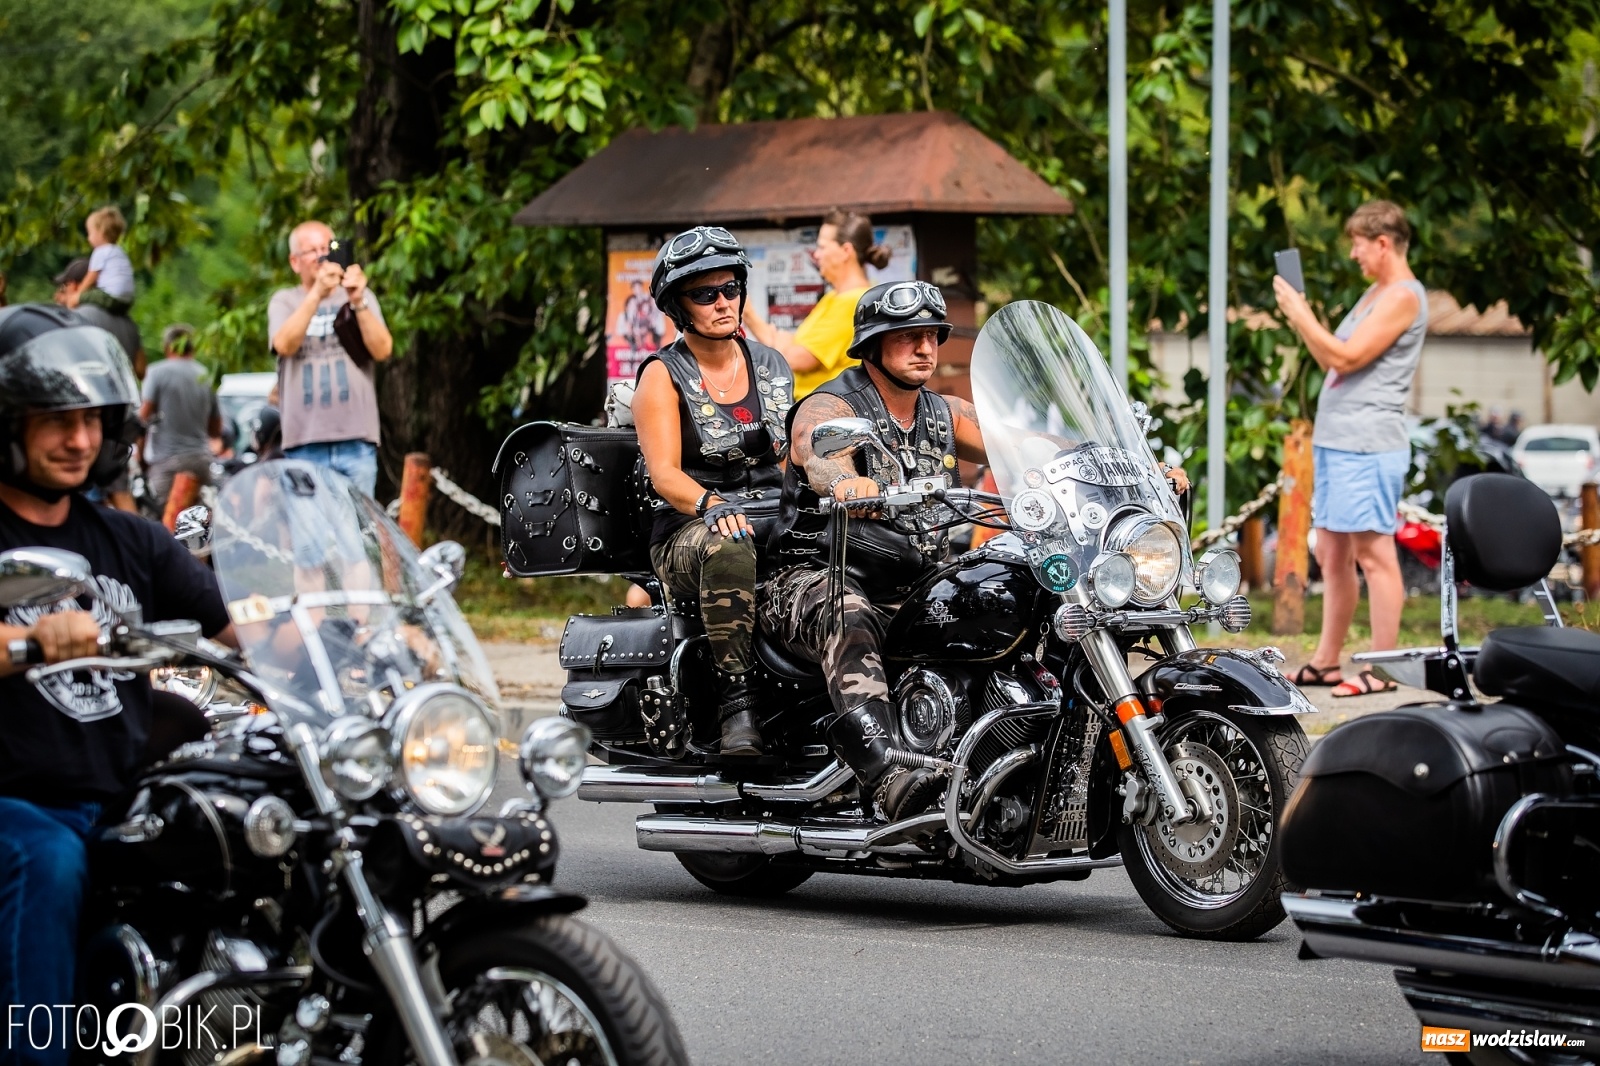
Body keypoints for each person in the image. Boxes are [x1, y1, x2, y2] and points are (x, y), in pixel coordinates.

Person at [0, 304, 234, 1066]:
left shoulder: (130, 539)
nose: (78, 440)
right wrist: (33, 639)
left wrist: (349, 636)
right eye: (54, 421)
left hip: (120, 796)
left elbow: (234, 624)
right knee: (48, 860)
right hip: (20, 805)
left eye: (90, 420)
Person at [760, 281, 985, 821]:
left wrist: (1111, 463)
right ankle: (889, 776)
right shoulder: (834, 404)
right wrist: (843, 480)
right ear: (873, 345)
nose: (925, 348)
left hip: (914, 579)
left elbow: (1022, 442)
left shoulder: (943, 412)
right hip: (812, 576)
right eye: (908, 336)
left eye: (932, 335)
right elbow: (813, 446)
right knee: (846, 610)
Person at [633, 228, 795, 757]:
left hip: (770, 515)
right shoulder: (662, 375)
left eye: (730, 288)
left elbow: (790, 457)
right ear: (678, 307)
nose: (723, 302)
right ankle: (736, 704)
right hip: (688, 529)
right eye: (705, 294)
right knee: (730, 542)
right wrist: (712, 504)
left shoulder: (770, 364)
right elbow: (664, 474)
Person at [1273, 200, 1427, 697]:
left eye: (1359, 245)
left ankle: (1382, 670)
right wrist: (1302, 318)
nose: (1354, 254)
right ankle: (1325, 662)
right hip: (1338, 443)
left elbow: (1346, 356)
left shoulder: (1403, 296)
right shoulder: (1373, 293)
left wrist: (1301, 312)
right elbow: (1330, 360)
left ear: (1383, 243)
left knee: (1374, 554)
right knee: (1332, 552)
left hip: (1367, 446)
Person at [268, 220, 393, 496]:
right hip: (304, 441)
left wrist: (358, 301)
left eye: (328, 248)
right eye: (312, 251)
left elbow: (383, 350)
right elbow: (284, 344)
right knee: (309, 525)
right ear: (294, 262)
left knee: (357, 523)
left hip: (356, 439)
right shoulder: (284, 301)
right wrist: (317, 294)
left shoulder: (360, 296)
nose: (322, 257)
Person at [743, 208, 891, 398]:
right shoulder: (834, 297)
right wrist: (783, 343)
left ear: (846, 251)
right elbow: (792, 345)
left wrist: (748, 314)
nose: (817, 255)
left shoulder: (853, 302)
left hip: (825, 411)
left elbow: (795, 358)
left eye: (822, 247)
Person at [141, 323, 222, 511]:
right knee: (199, 520)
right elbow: (216, 429)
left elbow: (143, 417)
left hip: (167, 461)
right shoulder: (205, 375)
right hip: (200, 459)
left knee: (164, 517)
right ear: (193, 347)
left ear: (167, 347)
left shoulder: (156, 372)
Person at [79, 205, 136, 316]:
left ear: (101, 232)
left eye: (90, 233)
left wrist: (78, 295)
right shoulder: (119, 251)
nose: (88, 238)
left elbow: (91, 278)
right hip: (126, 301)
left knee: (83, 297)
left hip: (111, 297)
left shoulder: (100, 251)